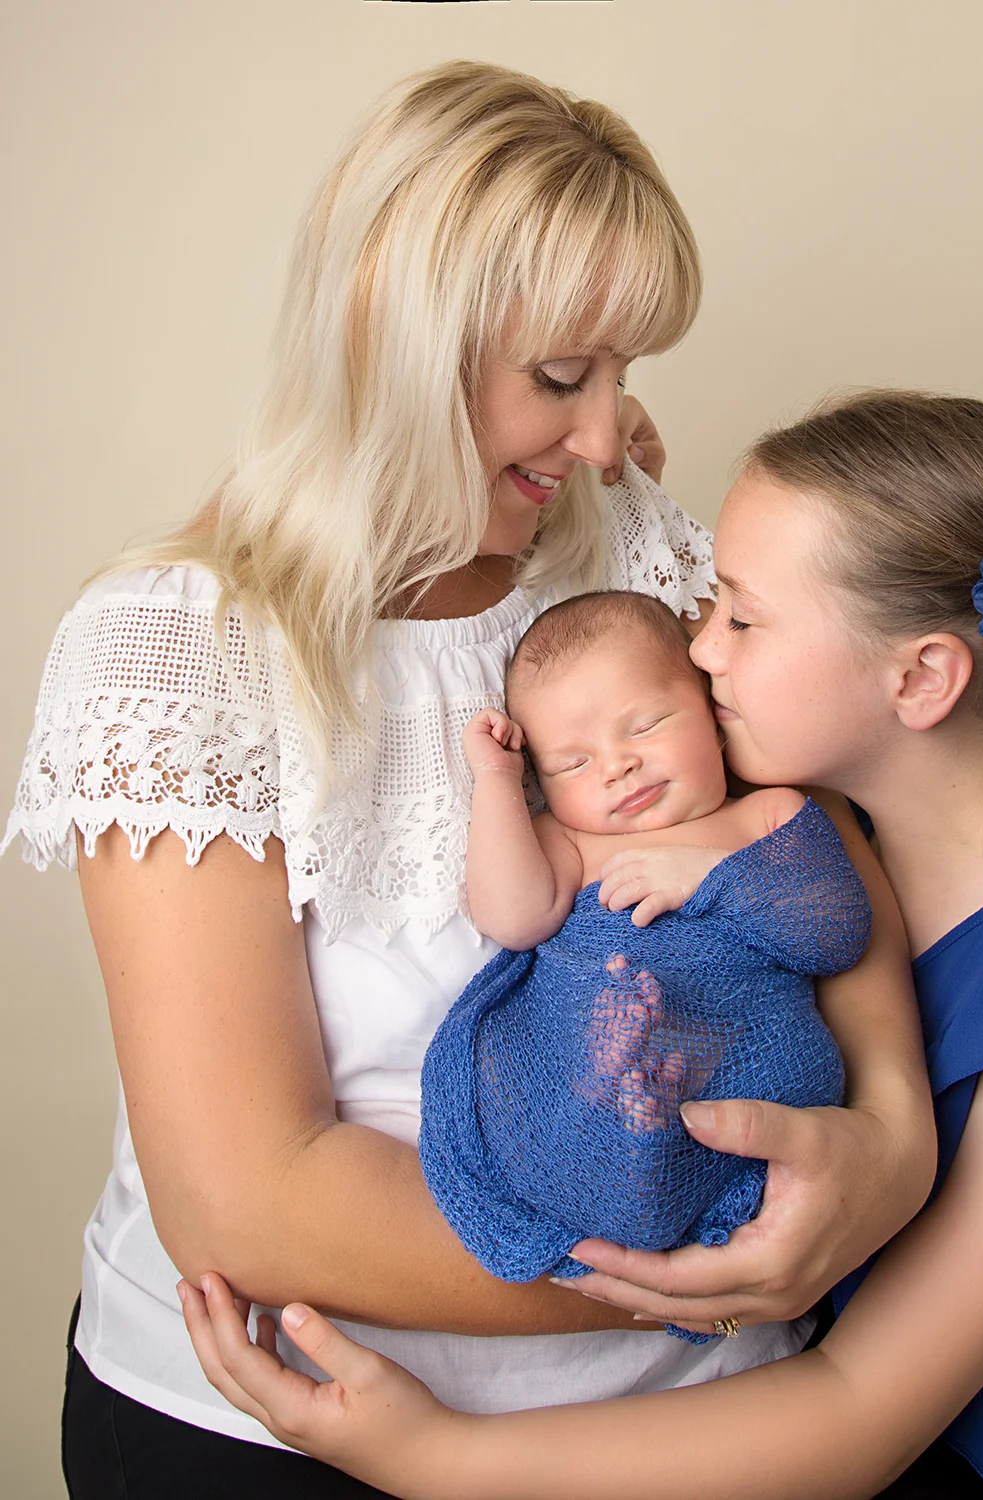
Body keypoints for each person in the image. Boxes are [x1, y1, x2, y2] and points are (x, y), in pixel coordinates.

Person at [2, 64, 932, 1498]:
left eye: (623, 377)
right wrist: (727, 1264)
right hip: (294, 1431)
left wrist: (891, 1143)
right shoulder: (179, 651)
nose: (608, 435)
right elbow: (254, 1199)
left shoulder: (635, 553)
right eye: (562, 378)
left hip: (699, 1423)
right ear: (392, 338)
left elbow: (809, 841)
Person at [183, 390, 983, 1499]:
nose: (698, 646)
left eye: (740, 620)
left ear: (919, 679)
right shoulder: (823, 844)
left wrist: (436, 1455)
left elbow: (854, 1414)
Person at [419, 591, 873, 1312]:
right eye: (572, 763)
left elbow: (838, 931)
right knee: (593, 1030)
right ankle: (620, 1087)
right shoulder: (573, 841)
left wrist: (712, 879)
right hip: (594, 1080)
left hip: (736, 1062)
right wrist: (498, 781)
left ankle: (652, 1087)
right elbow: (514, 918)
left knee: (761, 1056)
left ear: (712, 716)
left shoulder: (767, 815)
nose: (617, 766)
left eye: (646, 725)